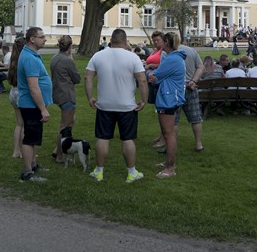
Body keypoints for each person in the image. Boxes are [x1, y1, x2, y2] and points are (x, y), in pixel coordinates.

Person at [85, 28, 148, 183]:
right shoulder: (133, 57)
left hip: (104, 105)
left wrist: (90, 97)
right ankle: (131, 172)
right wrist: (144, 100)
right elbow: (142, 80)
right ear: (125, 41)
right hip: (127, 106)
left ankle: (99, 171)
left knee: (103, 138)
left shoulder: (98, 55)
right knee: (128, 139)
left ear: (111, 40)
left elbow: (88, 78)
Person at [147, 31, 185, 178]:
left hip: (168, 100)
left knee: (169, 135)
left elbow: (155, 76)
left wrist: (149, 74)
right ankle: (168, 162)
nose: (160, 43)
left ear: (167, 43)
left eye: (162, 41)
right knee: (167, 133)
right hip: (168, 97)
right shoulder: (174, 58)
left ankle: (170, 168)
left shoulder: (172, 59)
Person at [17, 27, 52, 183]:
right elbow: (33, 87)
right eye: (42, 37)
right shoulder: (29, 58)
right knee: (30, 138)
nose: (45, 39)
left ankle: (33, 165)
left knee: (34, 137)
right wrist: (43, 109)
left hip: (33, 105)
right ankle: (27, 173)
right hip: (31, 105)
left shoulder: (32, 54)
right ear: (32, 39)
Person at [50, 35, 81, 164]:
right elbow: (77, 79)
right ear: (70, 46)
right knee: (64, 126)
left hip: (57, 93)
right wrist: (71, 59)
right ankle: (59, 155)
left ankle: (57, 149)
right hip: (66, 95)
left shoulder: (54, 58)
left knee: (71, 120)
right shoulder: (68, 61)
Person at [176, 41, 205, 153]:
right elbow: (200, 67)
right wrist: (194, 80)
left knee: (173, 119)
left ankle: (171, 144)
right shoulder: (191, 51)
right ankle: (198, 144)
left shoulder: (168, 52)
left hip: (176, 88)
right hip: (190, 86)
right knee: (195, 117)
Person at [7, 37, 26, 160]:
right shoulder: (24, 60)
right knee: (25, 125)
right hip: (22, 93)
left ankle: (16, 151)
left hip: (13, 92)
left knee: (19, 124)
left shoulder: (13, 60)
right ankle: (25, 151)